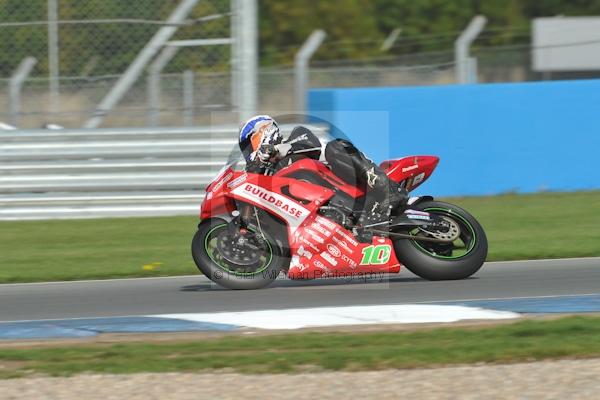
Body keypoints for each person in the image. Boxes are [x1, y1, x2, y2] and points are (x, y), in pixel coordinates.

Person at [238, 115, 408, 226]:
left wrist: (277, 151)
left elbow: (313, 145)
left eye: (249, 144)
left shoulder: (297, 136)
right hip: (324, 216)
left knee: (335, 147)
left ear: (264, 131)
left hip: (349, 187)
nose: (249, 152)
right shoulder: (266, 173)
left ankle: (387, 189)